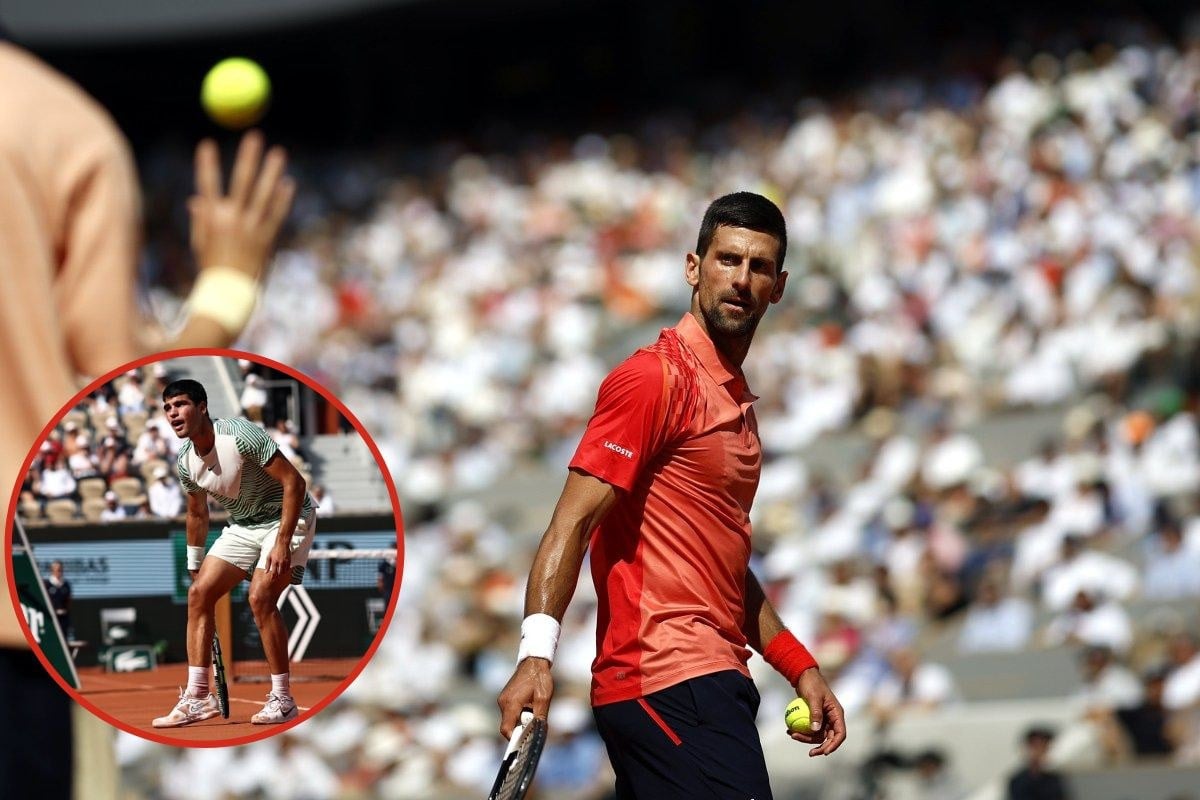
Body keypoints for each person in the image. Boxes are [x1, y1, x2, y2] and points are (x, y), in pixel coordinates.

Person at [496, 193, 846, 799]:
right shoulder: (652, 378)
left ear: (779, 286)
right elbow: (571, 525)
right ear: (693, 267)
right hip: (669, 680)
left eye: (759, 267)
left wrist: (799, 667)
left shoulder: (736, 403)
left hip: (701, 680)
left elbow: (724, 571)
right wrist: (536, 655)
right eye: (727, 259)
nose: (741, 279)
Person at [152, 379, 317, 728]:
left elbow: (295, 483)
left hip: (288, 515)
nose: (173, 413)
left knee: (260, 597)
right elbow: (197, 514)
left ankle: (283, 700)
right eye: (167, 408)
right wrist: (195, 564)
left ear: (202, 407)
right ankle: (198, 697)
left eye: (180, 404)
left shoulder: (240, 434)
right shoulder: (185, 463)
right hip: (244, 524)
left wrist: (283, 541)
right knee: (199, 595)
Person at [1007, 726, 1070, 800]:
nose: (1039, 752)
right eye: (1036, 746)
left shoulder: (1054, 780)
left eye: (1043, 747)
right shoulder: (1017, 781)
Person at [44, 561, 73, 642]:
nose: (58, 572)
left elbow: (69, 600)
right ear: (52, 571)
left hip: (63, 618)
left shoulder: (66, 584)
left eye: (60, 570)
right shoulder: (46, 584)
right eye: (56, 570)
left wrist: (65, 611)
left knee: (64, 638)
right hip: (51, 618)